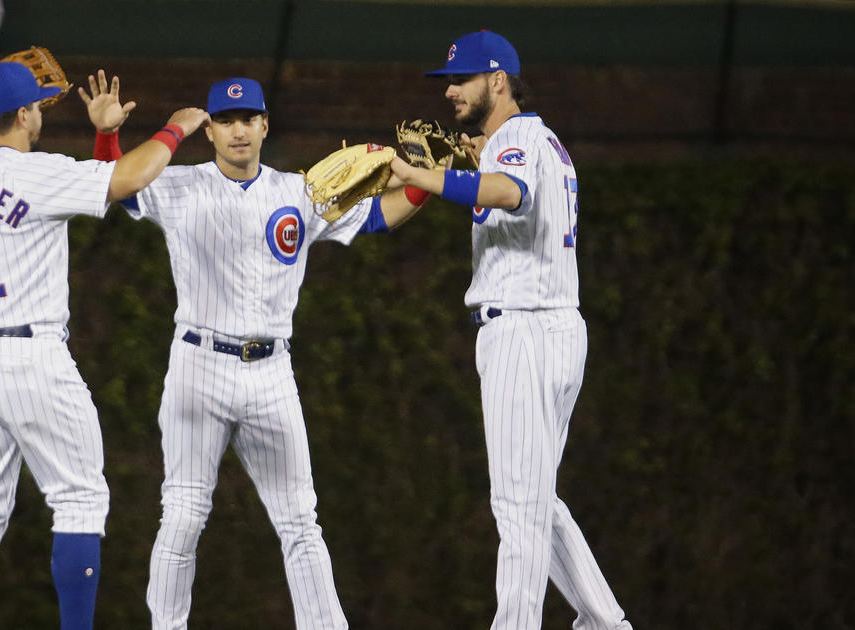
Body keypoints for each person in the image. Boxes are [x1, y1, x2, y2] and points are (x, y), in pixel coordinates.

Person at [83, 74, 434, 629]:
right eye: (225, 120)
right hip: (199, 363)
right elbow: (116, 185)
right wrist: (107, 139)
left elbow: (374, 218)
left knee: (300, 522)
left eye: (248, 119)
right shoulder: (179, 185)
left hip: (272, 372)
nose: (238, 130)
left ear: (265, 125)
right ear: (210, 132)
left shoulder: (301, 191)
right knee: (183, 515)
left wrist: (423, 181)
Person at [0, 59, 208, 630]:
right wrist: (174, 128)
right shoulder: (34, 172)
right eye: (39, 108)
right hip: (28, 356)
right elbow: (125, 181)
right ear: (21, 116)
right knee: (80, 502)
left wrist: (97, 134)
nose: (42, 115)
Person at [387, 30, 635, 630]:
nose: (450, 91)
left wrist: (420, 177)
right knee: (535, 498)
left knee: (518, 505)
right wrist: (468, 160)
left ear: (497, 80)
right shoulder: (528, 139)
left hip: (524, 330)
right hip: (551, 327)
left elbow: (510, 192)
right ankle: (606, 622)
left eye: (461, 79)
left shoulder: (520, 138)